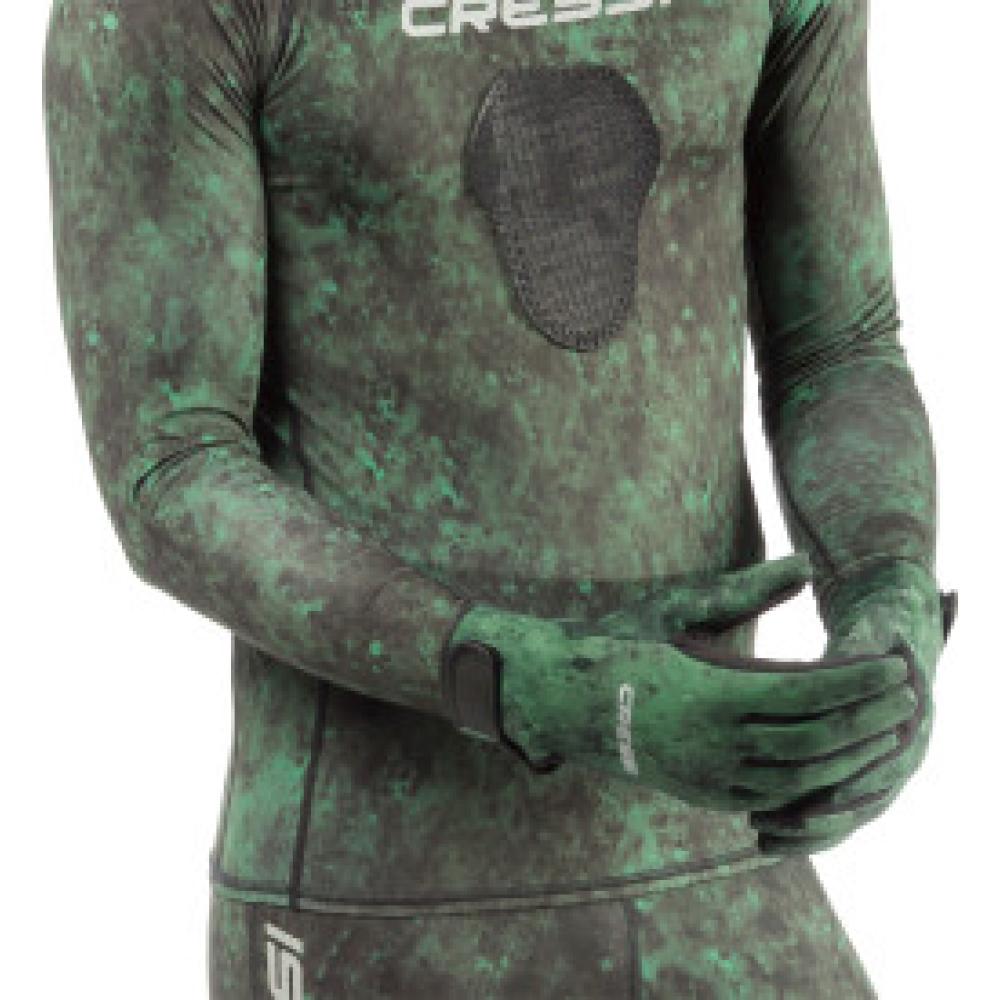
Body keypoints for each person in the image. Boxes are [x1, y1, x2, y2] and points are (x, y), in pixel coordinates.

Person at [42, 0, 955, 995]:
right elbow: (170, 467)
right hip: (380, 887)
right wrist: (531, 682)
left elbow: (840, 349)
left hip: (715, 845)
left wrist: (887, 595)